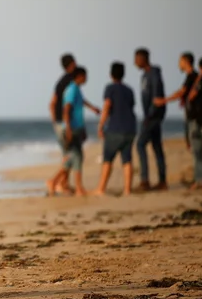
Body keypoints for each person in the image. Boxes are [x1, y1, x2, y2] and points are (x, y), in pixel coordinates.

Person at [48, 54, 100, 194]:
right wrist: (59, 125)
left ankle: (69, 185)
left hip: (69, 124)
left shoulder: (73, 85)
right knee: (71, 155)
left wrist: (92, 107)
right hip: (65, 124)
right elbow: (56, 104)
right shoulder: (67, 83)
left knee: (74, 156)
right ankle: (58, 182)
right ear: (71, 65)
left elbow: (79, 100)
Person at [153, 52, 199, 189]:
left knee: (197, 148)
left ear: (186, 61)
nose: (179, 64)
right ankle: (199, 178)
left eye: (180, 61)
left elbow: (182, 92)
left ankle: (200, 180)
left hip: (194, 117)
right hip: (191, 115)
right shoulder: (192, 77)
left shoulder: (192, 76)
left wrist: (164, 101)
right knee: (194, 147)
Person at [93, 62, 137, 196]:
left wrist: (101, 125)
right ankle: (127, 189)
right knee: (127, 159)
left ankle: (101, 189)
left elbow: (107, 105)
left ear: (111, 74)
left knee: (108, 158)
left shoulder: (110, 88)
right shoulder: (129, 90)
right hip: (130, 127)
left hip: (115, 128)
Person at [47, 67, 89, 197]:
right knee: (74, 156)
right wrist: (67, 128)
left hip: (76, 127)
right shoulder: (71, 89)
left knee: (74, 157)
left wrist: (93, 109)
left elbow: (81, 103)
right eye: (85, 76)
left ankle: (59, 183)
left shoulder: (76, 89)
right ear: (79, 76)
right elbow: (66, 109)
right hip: (71, 128)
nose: (86, 79)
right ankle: (72, 186)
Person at [134, 48, 167, 191]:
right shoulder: (144, 76)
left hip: (153, 116)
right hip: (149, 115)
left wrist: (150, 115)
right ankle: (162, 181)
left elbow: (157, 96)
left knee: (140, 144)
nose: (135, 62)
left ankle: (145, 180)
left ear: (143, 58)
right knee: (157, 147)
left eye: (136, 59)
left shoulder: (154, 74)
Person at [187, 57, 202, 189]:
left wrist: (198, 79)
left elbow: (192, 95)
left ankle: (200, 180)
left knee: (199, 151)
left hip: (200, 120)